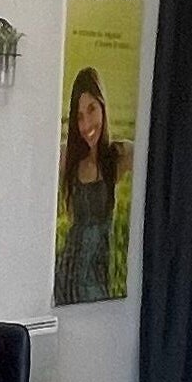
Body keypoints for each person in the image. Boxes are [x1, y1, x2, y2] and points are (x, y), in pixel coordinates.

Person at [53, 66, 124, 303]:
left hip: (96, 276)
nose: (86, 124)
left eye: (92, 109)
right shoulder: (69, 158)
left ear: (103, 106)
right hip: (67, 274)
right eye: (80, 116)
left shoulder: (117, 156)